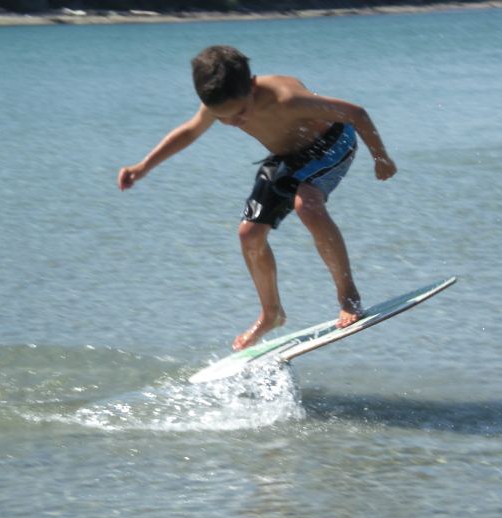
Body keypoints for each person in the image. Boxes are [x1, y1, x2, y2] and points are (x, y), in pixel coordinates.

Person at [118, 45, 397, 350]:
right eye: (225, 119)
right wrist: (143, 166)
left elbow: (355, 113)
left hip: (332, 142)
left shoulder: (287, 99)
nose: (235, 122)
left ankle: (349, 296)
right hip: (288, 156)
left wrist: (381, 158)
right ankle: (271, 314)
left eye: (240, 113)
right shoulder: (217, 103)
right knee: (249, 234)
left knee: (308, 206)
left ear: (252, 86)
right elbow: (189, 132)